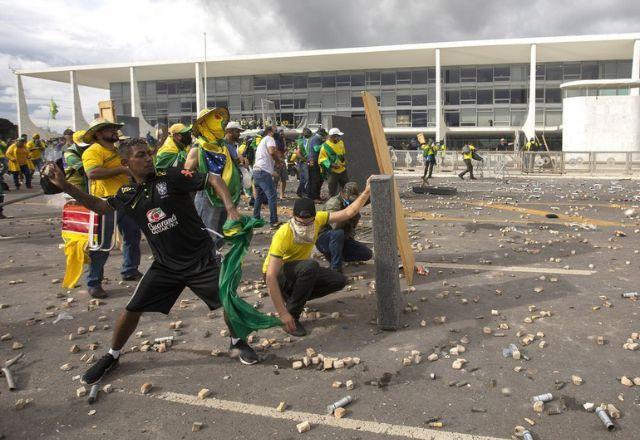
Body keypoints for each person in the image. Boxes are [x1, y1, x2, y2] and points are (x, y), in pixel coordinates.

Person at [44, 138, 260, 385]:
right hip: (166, 266)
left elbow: (213, 178)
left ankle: (237, 342)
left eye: (148, 153)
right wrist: (64, 186)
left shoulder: (171, 175)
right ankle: (112, 355)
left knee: (228, 300)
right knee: (131, 309)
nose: (148, 158)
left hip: (201, 259)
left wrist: (231, 208)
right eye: (140, 155)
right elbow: (100, 206)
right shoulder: (127, 193)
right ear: (126, 163)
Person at [263, 183, 371, 336]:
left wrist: (366, 191)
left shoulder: (319, 219)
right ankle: (291, 317)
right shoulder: (283, 234)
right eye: (300, 222)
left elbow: (348, 212)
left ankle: (292, 297)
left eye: (308, 222)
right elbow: (270, 275)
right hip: (279, 275)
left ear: (314, 218)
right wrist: (282, 313)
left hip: (299, 271)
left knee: (338, 280)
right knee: (310, 266)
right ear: (293, 217)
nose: (304, 226)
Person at [82, 118, 142, 299]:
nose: (115, 132)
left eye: (115, 128)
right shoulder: (93, 151)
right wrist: (122, 170)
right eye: (110, 129)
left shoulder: (116, 150)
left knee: (133, 236)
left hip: (125, 199)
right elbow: (92, 173)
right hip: (104, 202)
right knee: (102, 244)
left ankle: (130, 270)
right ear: (99, 134)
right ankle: (94, 282)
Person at [185, 108, 242, 250]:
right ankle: (205, 264)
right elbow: (186, 175)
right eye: (214, 120)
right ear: (205, 125)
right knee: (207, 234)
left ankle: (213, 258)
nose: (220, 124)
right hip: (207, 196)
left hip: (225, 196)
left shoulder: (222, 147)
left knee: (221, 234)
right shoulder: (198, 148)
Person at [315, 182, 372, 272]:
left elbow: (366, 199)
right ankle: (336, 269)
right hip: (325, 238)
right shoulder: (333, 203)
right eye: (349, 198)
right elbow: (335, 226)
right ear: (342, 193)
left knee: (366, 254)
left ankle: (338, 256)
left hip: (343, 238)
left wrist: (370, 189)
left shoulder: (351, 202)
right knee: (338, 234)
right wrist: (349, 212)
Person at [252, 125, 280, 227]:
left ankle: (255, 218)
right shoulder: (270, 138)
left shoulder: (262, 141)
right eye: (275, 131)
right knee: (272, 196)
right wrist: (278, 161)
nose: (277, 132)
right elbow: (272, 152)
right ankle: (273, 221)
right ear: (270, 131)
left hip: (257, 171)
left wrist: (271, 171)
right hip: (262, 172)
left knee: (259, 197)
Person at [319, 128, 348, 197]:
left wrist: (345, 160)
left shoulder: (341, 143)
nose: (339, 138)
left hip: (342, 170)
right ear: (332, 137)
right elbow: (322, 159)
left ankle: (348, 203)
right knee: (332, 190)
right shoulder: (325, 146)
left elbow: (343, 153)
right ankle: (331, 204)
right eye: (338, 136)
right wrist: (332, 165)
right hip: (333, 172)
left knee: (347, 188)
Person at [306, 128, 326, 202]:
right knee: (315, 179)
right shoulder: (316, 138)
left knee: (314, 179)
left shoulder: (314, 138)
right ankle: (314, 197)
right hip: (314, 161)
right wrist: (324, 144)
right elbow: (316, 149)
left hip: (312, 160)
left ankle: (313, 196)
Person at [295, 128, 312, 197]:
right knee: (306, 178)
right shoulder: (303, 142)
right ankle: (301, 192)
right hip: (304, 162)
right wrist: (305, 159)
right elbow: (298, 153)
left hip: (303, 162)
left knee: (303, 178)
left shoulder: (302, 141)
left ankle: (301, 191)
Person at [272, 129, 288, 200]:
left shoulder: (283, 141)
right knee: (276, 179)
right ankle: (274, 194)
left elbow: (284, 150)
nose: (282, 135)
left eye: (283, 134)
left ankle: (282, 194)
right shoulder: (276, 142)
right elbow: (276, 152)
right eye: (281, 134)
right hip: (277, 162)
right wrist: (279, 161)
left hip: (282, 160)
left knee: (284, 178)